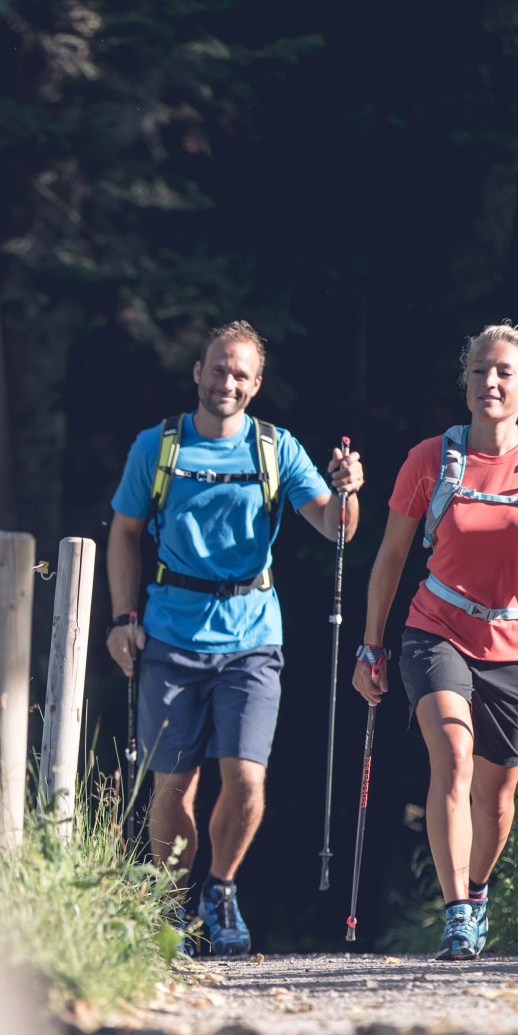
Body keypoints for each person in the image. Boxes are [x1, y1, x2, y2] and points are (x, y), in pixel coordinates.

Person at [350, 323, 518, 961]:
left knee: (496, 795)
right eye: (478, 371)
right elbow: (389, 558)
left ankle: (477, 888)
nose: (489, 382)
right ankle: (458, 915)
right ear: (464, 380)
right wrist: (370, 645)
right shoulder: (431, 459)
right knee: (453, 759)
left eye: (503, 373)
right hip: (437, 628)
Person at [105, 320, 362, 956]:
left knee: (246, 776)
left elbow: (335, 528)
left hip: (252, 636)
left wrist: (348, 491)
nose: (228, 382)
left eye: (241, 373)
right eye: (218, 368)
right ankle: (170, 907)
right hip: (169, 635)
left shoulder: (275, 448)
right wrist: (122, 619)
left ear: (257, 384)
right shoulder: (158, 447)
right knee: (173, 785)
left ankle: (221, 891)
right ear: (198, 371)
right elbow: (124, 533)